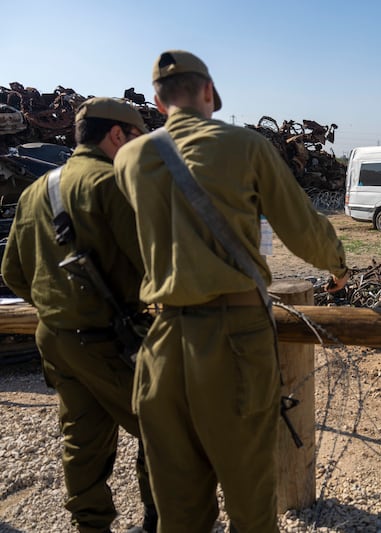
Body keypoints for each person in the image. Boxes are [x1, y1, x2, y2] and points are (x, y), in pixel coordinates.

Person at [113, 50, 350, 531]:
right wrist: (338, 265)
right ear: (208, 93)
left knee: (178, 505)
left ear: (158, 103)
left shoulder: (130, 159)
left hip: (160, 338)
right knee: (248, 495)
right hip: (233, 337)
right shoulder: (245, 146)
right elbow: (301, 226)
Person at [1, 97, 157, 533]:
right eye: (137, 139)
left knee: (82, 438)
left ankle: (91, 525)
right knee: (165, 429)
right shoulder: (114, 186)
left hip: (54, 338)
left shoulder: (37, 189)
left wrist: (59, 302)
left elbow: (12, 273)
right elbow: (156, 269)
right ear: (116, 136)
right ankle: (159, 520)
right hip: (111, 339)